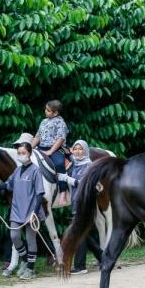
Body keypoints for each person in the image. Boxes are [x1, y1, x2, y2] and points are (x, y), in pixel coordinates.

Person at [0, 142, 45, 280]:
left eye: (23, 153)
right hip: (17, 210)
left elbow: (40, 193)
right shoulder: (17, 170)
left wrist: (34, 213)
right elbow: (7, 185)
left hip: (31, 210)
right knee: (14, 236)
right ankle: (25, 260)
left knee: (31, 239)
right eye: (19, 153)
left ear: (29, 153)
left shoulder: (36, 170)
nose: (21, 155)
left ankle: (30, 269)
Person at [58, 140, 102, 274]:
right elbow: (67, 157)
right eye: (75, 149)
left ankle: (80, 266)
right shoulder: (75, 164)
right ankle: (103, 257)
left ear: (86, 150)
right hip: (77, 203)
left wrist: (66, 179)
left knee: (79, 234)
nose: (77, 151)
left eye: (80, 149)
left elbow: (83, 184)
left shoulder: (89, 165)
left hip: (85, 204)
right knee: (84, 234)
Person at [32, 100, 69, 205]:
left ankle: (63, 192)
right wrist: (30, 148)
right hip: (41, 147)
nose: (45, 111)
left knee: (59, 164)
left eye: (48, 110)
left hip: (55, 149)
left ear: (55, 113)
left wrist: (50, 151)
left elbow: (60, 139)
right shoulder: (43, 121)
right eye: (46, 109)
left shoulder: (61, 123)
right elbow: (38, 136)